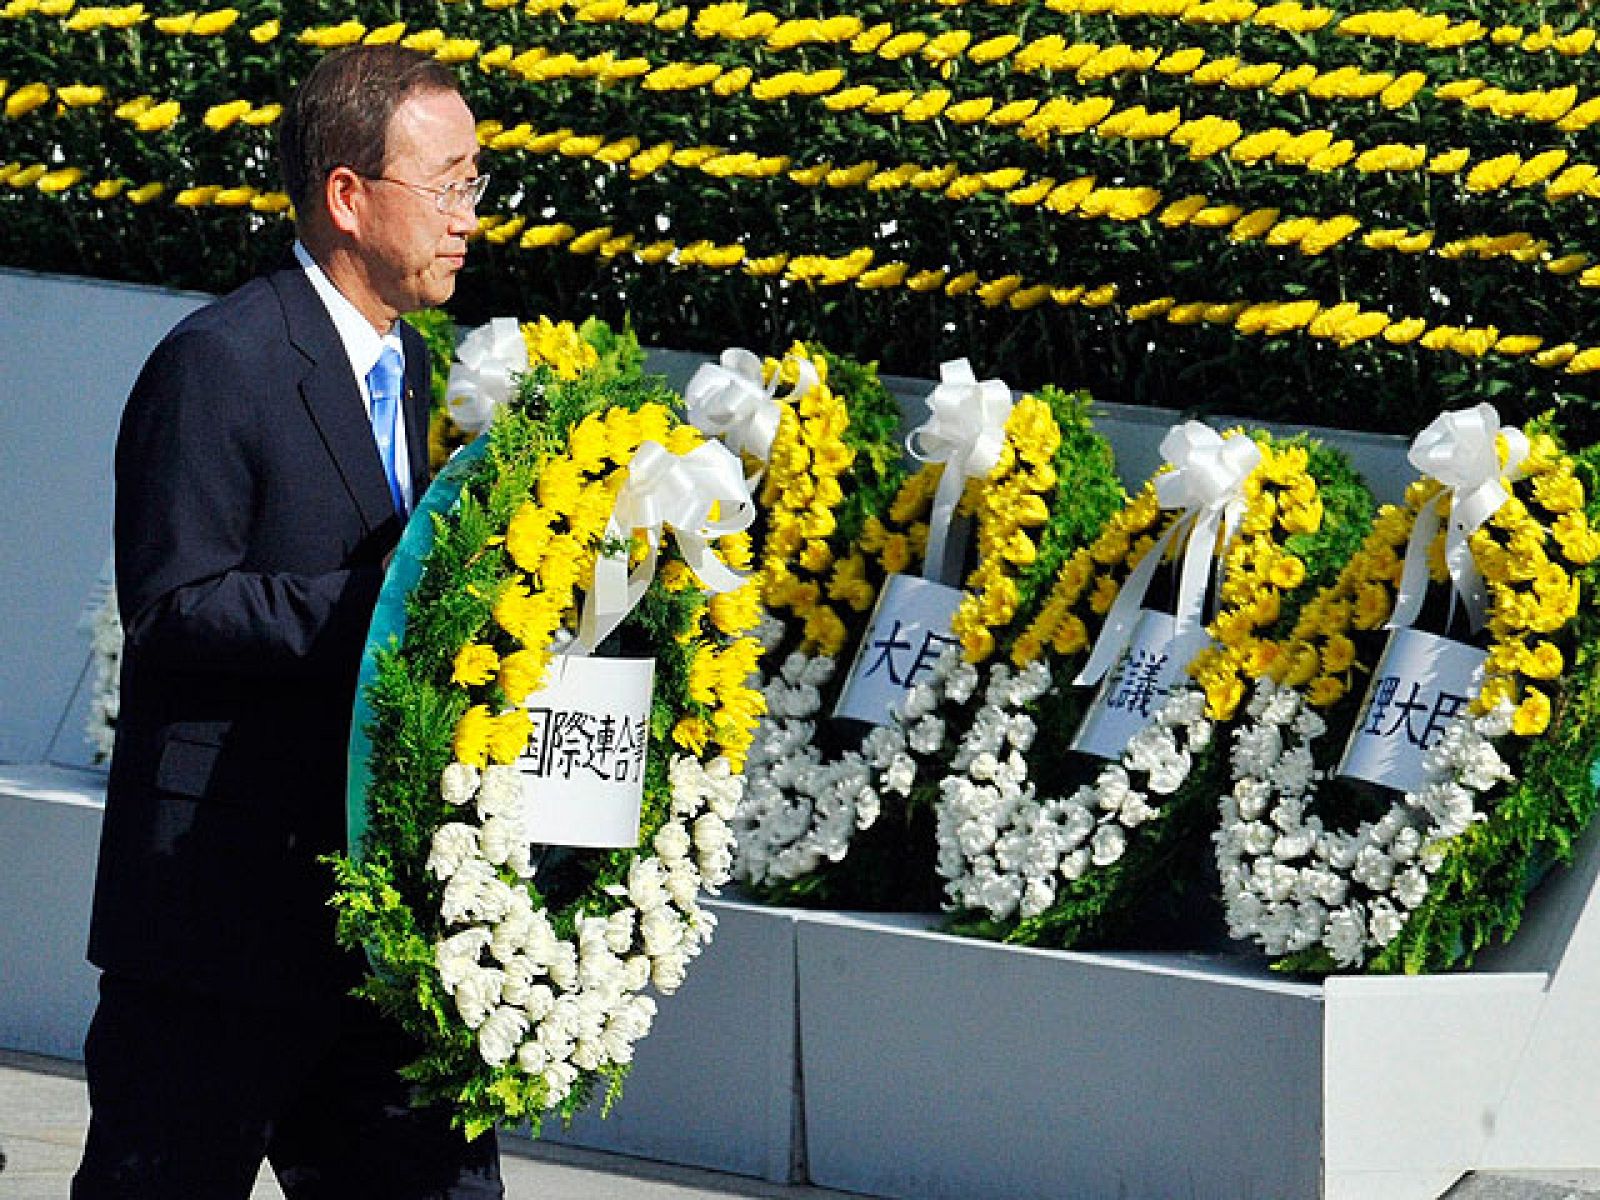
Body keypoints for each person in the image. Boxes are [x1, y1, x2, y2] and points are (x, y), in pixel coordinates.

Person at [73, 45, 502, 1198]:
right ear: (349, 197)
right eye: (450, 183)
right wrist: (401, 611)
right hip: (217, 931)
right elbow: (174, 606)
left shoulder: (403, 363)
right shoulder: (219, 361)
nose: (470, 215)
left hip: (365, 920)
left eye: (476, 182)